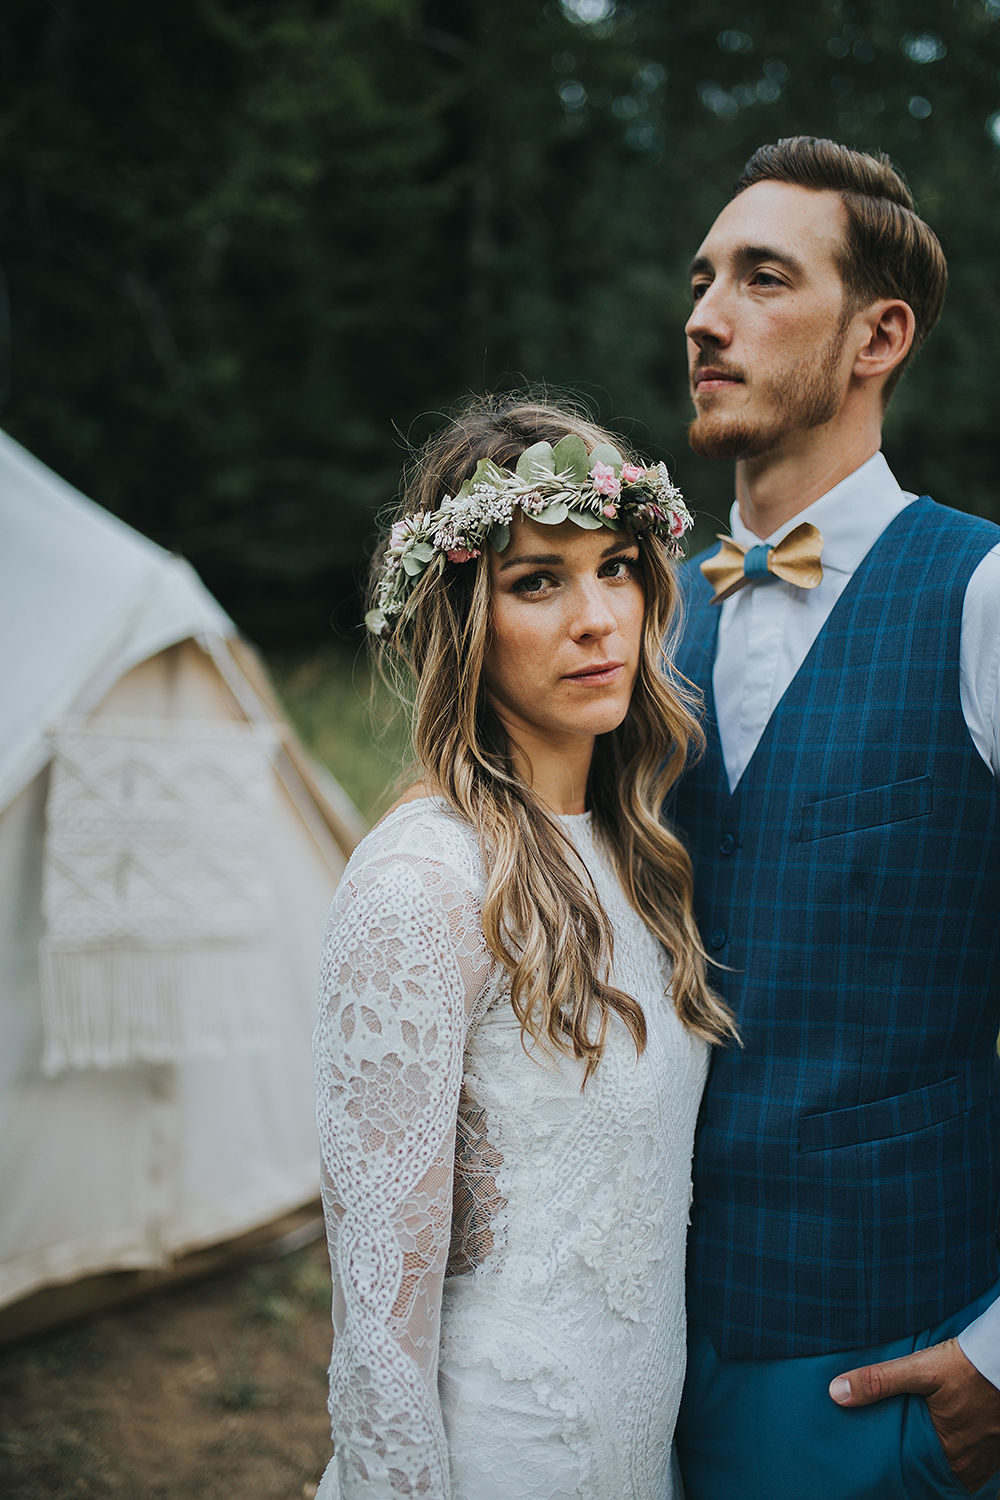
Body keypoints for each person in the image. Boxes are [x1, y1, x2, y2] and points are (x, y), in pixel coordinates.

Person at [311, 397, 738, 1499]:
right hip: (504, 1457)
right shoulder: (422, 887)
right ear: (461, 615)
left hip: (642, 1449)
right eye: (536, 582)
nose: (597, 618)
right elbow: (377, 1325)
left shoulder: (640, 851)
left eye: (616, 568)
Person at [670, 135, 1000, 1500]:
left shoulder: (980, 596)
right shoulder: (640, 617)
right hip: (640, 1363)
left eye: (761, 278)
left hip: (886, 1374)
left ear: (879, 336)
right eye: (700, 279)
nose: (704, 315)